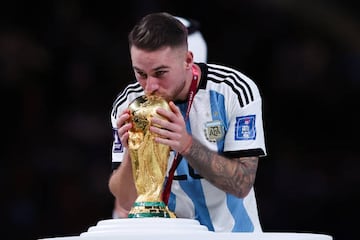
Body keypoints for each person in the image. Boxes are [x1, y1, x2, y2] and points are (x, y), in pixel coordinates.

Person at [108, 12, 267, 232]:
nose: (150, 86)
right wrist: (131, 154)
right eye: (140, 73)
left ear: (188, 60)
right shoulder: (128, 103)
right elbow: (126, 202)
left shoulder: (234, 90)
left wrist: (187, 145)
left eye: (160, 72)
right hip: (170, 235)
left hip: (232, 236)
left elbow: (241, 185)